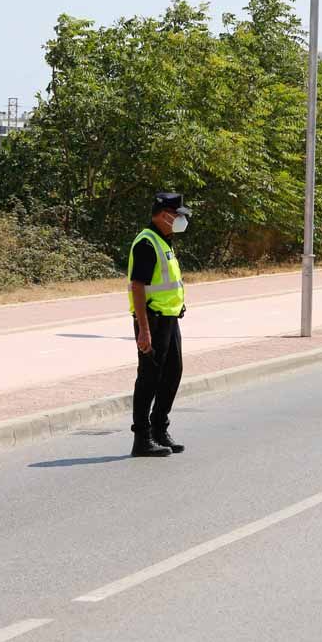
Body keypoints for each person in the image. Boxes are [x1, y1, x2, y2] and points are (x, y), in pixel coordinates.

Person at [127, 192, 191, 457]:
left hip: (169, 318)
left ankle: (158, 429)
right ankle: (141, 438)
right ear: (163, 215)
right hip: (151, 320)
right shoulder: (146, 242)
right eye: (178, 215)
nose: (181, 220)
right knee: (149, 379)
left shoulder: (164, 240)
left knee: (173, 372)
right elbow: (138, 286)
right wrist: (143, 329)